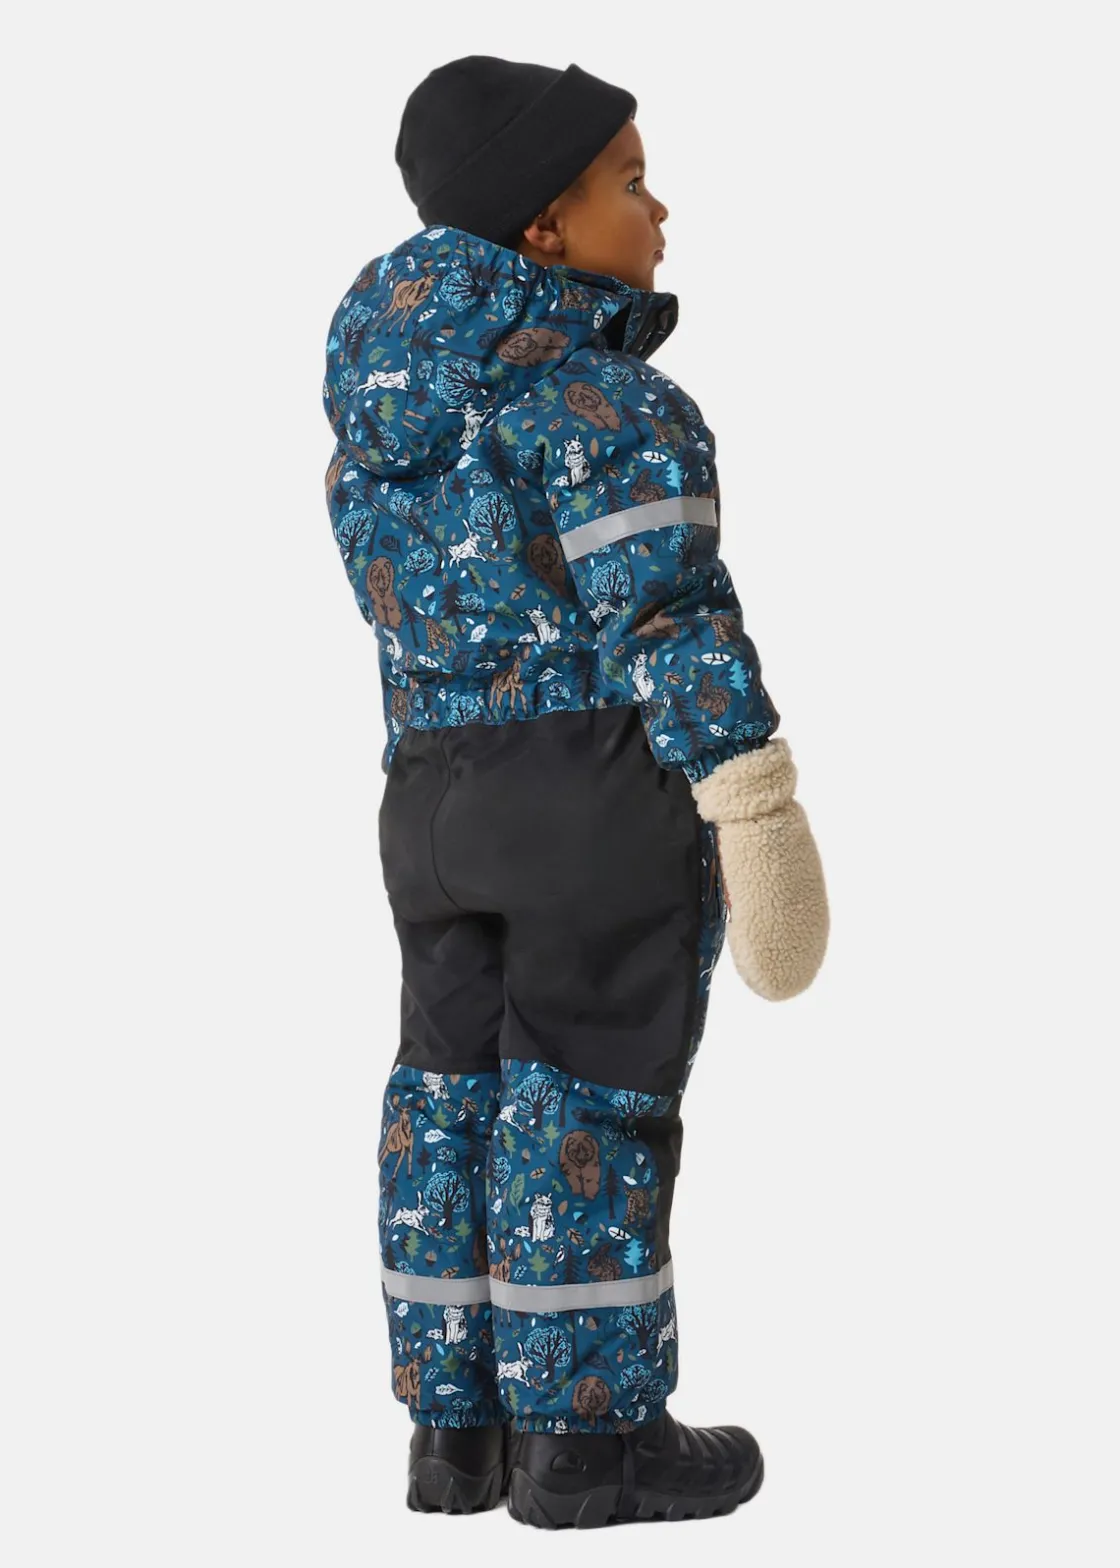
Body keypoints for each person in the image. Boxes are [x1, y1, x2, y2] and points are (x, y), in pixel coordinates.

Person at [321, 53, 830, 1528]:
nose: (660, 212)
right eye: (630, 182)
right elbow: (668, 616)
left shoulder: (383, 422)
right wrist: (754, 801)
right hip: (589, 796)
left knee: (449, 1096)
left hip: (429, 799)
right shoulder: (601, 399)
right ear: (542, 225)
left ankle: (456, 1433)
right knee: (585, 1103)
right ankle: (587, 1449)